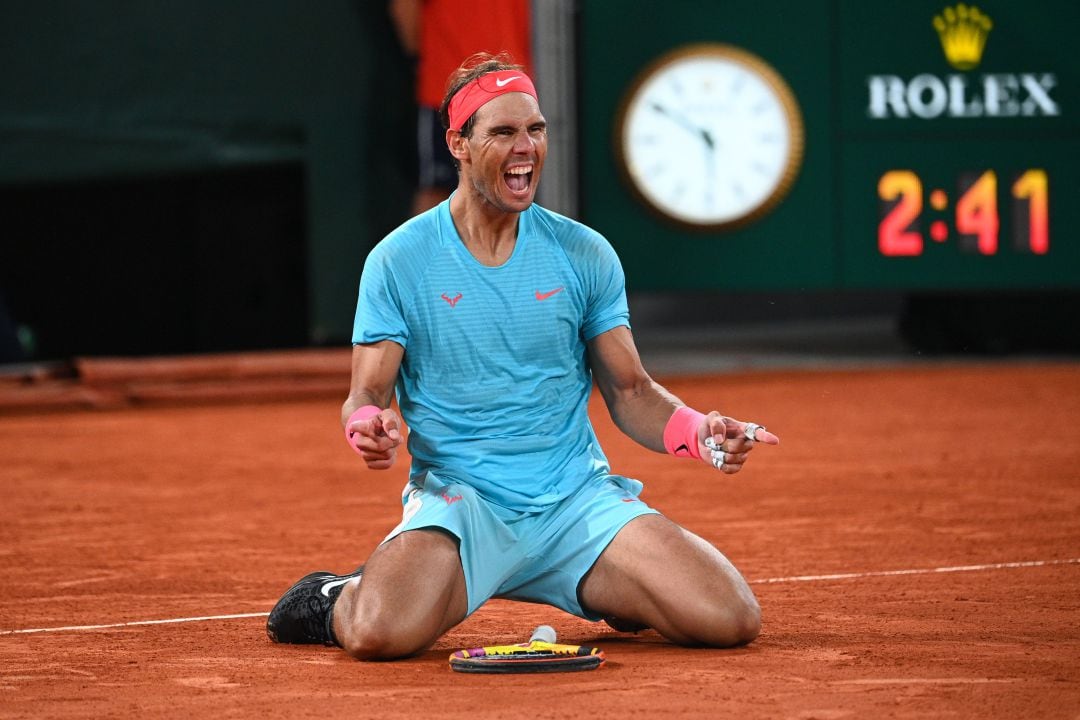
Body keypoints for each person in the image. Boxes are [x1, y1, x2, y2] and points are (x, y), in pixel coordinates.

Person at [266, 53, 780, 660]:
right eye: (504, 132)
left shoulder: (583, 253)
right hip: (463, 507)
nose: (526, 147)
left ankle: (611, 589)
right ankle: (337, 595)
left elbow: (631, 392)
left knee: (730, 617)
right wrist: (366, 425)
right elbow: (368, 392)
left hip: (575, 504)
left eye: (536, 130)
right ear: (458, 143)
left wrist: (700, 430)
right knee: (379, 634)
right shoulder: (398, 260)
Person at [389, 0, 532, 215]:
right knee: (439, 194)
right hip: (449, 89)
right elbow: (404, 9)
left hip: (511, 92)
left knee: (512, 193)